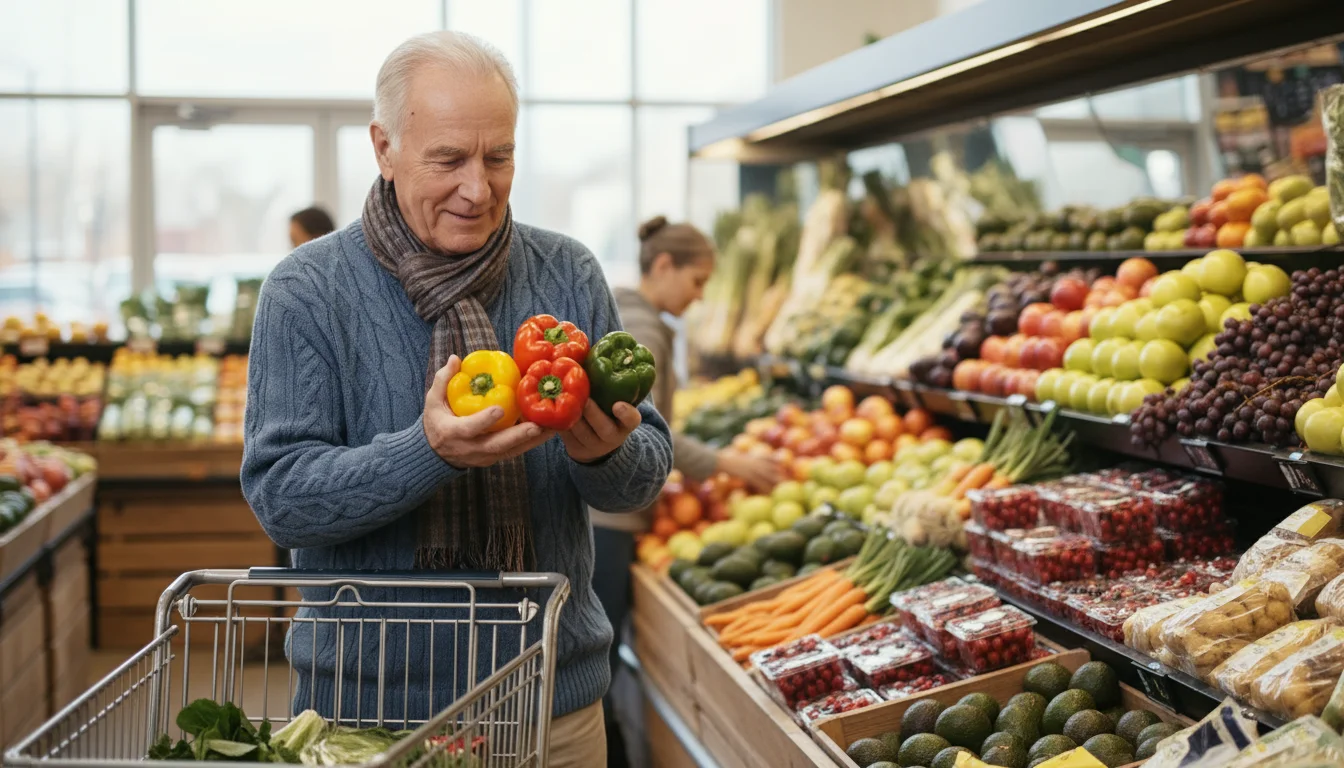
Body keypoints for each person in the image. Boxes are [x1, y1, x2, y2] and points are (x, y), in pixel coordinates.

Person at [241, 31, 672, 767]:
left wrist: (605, 453)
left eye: (498, 156)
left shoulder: (566, 272)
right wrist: (429, 451)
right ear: (384, 147)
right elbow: (281, 499)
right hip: (368, 722)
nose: (479, 188)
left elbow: (645, 470)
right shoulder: (307, 291)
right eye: (448, 159)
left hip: (553, 707)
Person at [591, 216, 782, 767]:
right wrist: (729, 462)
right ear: (665, 266)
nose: (700, 298)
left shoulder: (625, 311)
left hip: (605, 515)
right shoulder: (644, 332)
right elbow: (649, 437)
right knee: (595, 664)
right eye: (697, 282)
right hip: (610, 520)